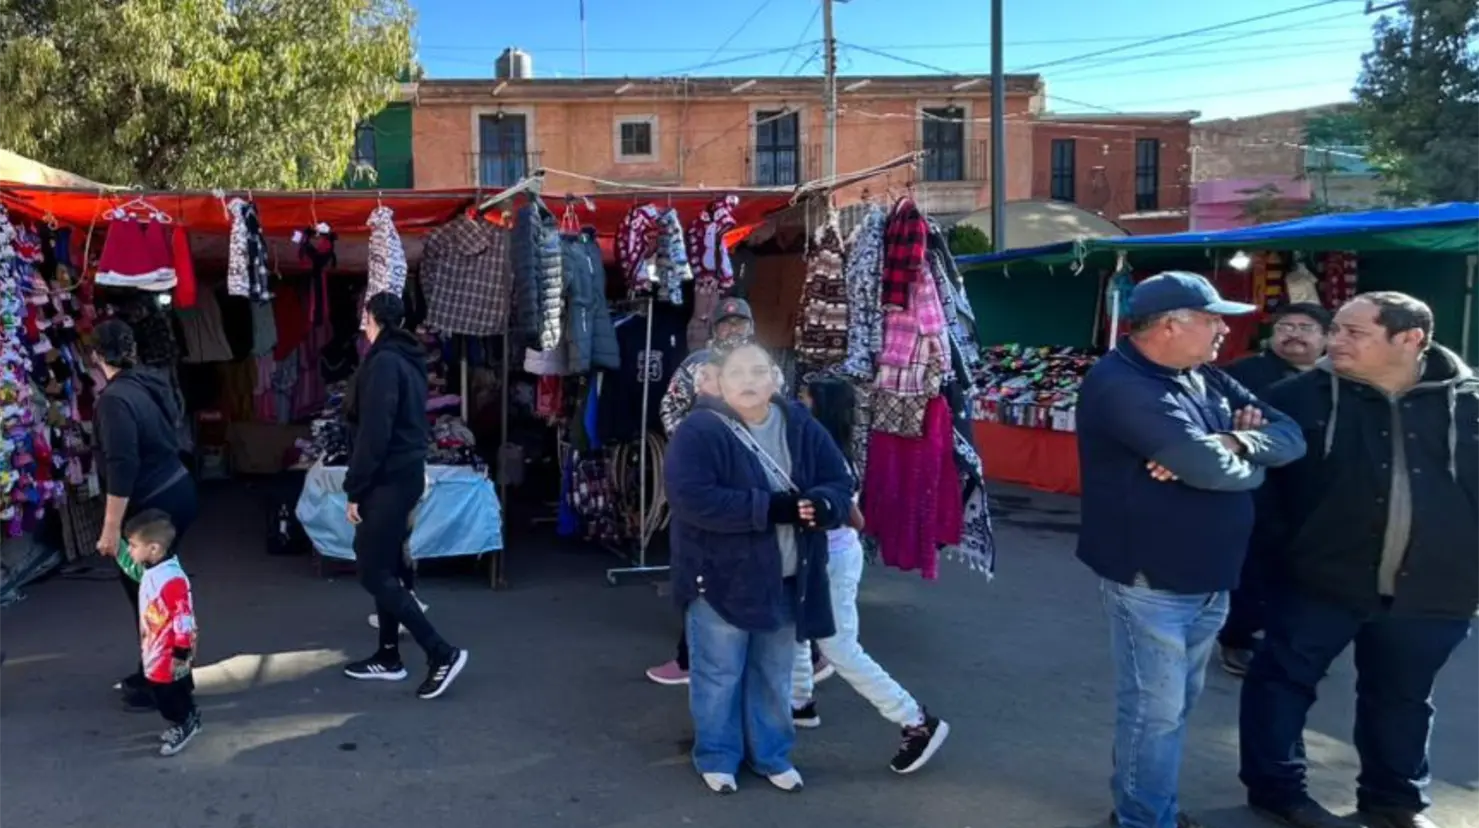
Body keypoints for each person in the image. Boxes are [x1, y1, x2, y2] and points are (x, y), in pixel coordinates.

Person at [1075, 272, 1306, 828]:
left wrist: (1233, 441)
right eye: (1211, 319)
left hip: (1209, 573)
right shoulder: (1123, 385)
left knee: (1172, 708)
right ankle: (1142, 819)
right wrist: (1240, 461)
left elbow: (1290, 435)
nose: (1224, 329)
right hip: (1151, 578)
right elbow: (1204, 469)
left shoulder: (1202, 376)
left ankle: (1151, 810)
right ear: (1171, 326)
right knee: (1154, 714)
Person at [1241, 292, 1478, 828]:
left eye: (1355, 332)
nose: (1335, 341)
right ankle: (1278, 792)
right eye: (1338, 329)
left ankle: (1394, 801)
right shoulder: (1299, 399)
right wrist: (1288, 558)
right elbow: (1266, 495)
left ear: (1410, 339)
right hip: (1318, 583)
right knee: (1281, 686)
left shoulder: (1470, 402)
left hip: (1435, 590)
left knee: (1403, 698)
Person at [664, 342, 853, 794]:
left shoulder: (800, 425)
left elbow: (839, 480)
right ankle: (716, 754)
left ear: (774, 380)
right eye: (737, 373)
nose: (748, 381)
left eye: (758, 371)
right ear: (718, 383)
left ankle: (771, 755)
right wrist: (774, 508)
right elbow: (694, 500)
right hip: (720, 578)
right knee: (718, 673)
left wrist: (825, 504)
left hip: (789, 577)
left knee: (774, 673)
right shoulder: (699, 431)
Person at [646, 297, 833, 689]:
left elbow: (780, 412)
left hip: (762, 478)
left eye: (740, 322)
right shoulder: (695, 365)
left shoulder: (764, 364)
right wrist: (691, 444)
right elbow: (670, 407)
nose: (733, 329)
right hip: (713, 474)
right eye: (726, 323)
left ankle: (806, 658)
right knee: (707, 563)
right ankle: (690, 657)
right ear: (714, 328)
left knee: (774, 567)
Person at [789, 376, 950, 774]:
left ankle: (915, 721)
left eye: (803, 400)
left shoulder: (826, 457)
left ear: (819, 409)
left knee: (839, 647)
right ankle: (798, 701)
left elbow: (855, 518)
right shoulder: (826, 450)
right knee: (796, 626)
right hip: (823, 557)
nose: (796, 406)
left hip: (834, 559)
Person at [340, 292, 468, 700]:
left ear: (371, 317)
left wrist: (356, 488)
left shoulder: (384, 363)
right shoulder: (406, 358)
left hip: (388, 478)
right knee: (389, 565)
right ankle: (389, 655)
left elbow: (375, 432)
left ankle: (440, 652)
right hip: (404, 473)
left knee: (372, 570)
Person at [1218, 302, 1332, 676]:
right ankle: (1237, 638)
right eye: (1286, 326)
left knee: (1306, 572)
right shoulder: (1244, 374)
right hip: (1262, 490)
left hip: (1319, 491)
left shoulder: (1342, 379)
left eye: (1305, 327)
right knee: (1255, 568)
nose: (1294, 334)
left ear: (1326, 337)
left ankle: (1289, 640)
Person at [92, 319, 199, 712]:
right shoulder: (146, 385)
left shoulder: (115, 399)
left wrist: (110, 529)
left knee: (150, 597)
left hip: (153, 502)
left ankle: (168, 683)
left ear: (96, 356)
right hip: (175, 489)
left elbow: (122, 465)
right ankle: (166, 674)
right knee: (159, 594)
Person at [125, 509, 201, 756]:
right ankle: (186, 719)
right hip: (156, 647)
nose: (130, 551)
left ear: (154, 548)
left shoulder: (172, 579)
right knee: (162, 689)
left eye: (133, 546)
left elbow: (183, 618)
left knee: (169, 694)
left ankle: (185, 722)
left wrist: (181, 650)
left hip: (170, 651)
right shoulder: (152, 569)